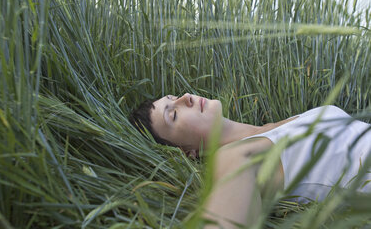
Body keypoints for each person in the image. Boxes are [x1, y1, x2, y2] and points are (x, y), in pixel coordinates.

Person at [129, 93, 371, 229]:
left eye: (174, 96)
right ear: (186, 152)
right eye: (174, 114)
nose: (185, 98)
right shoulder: (233, 156)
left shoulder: (275, 127)